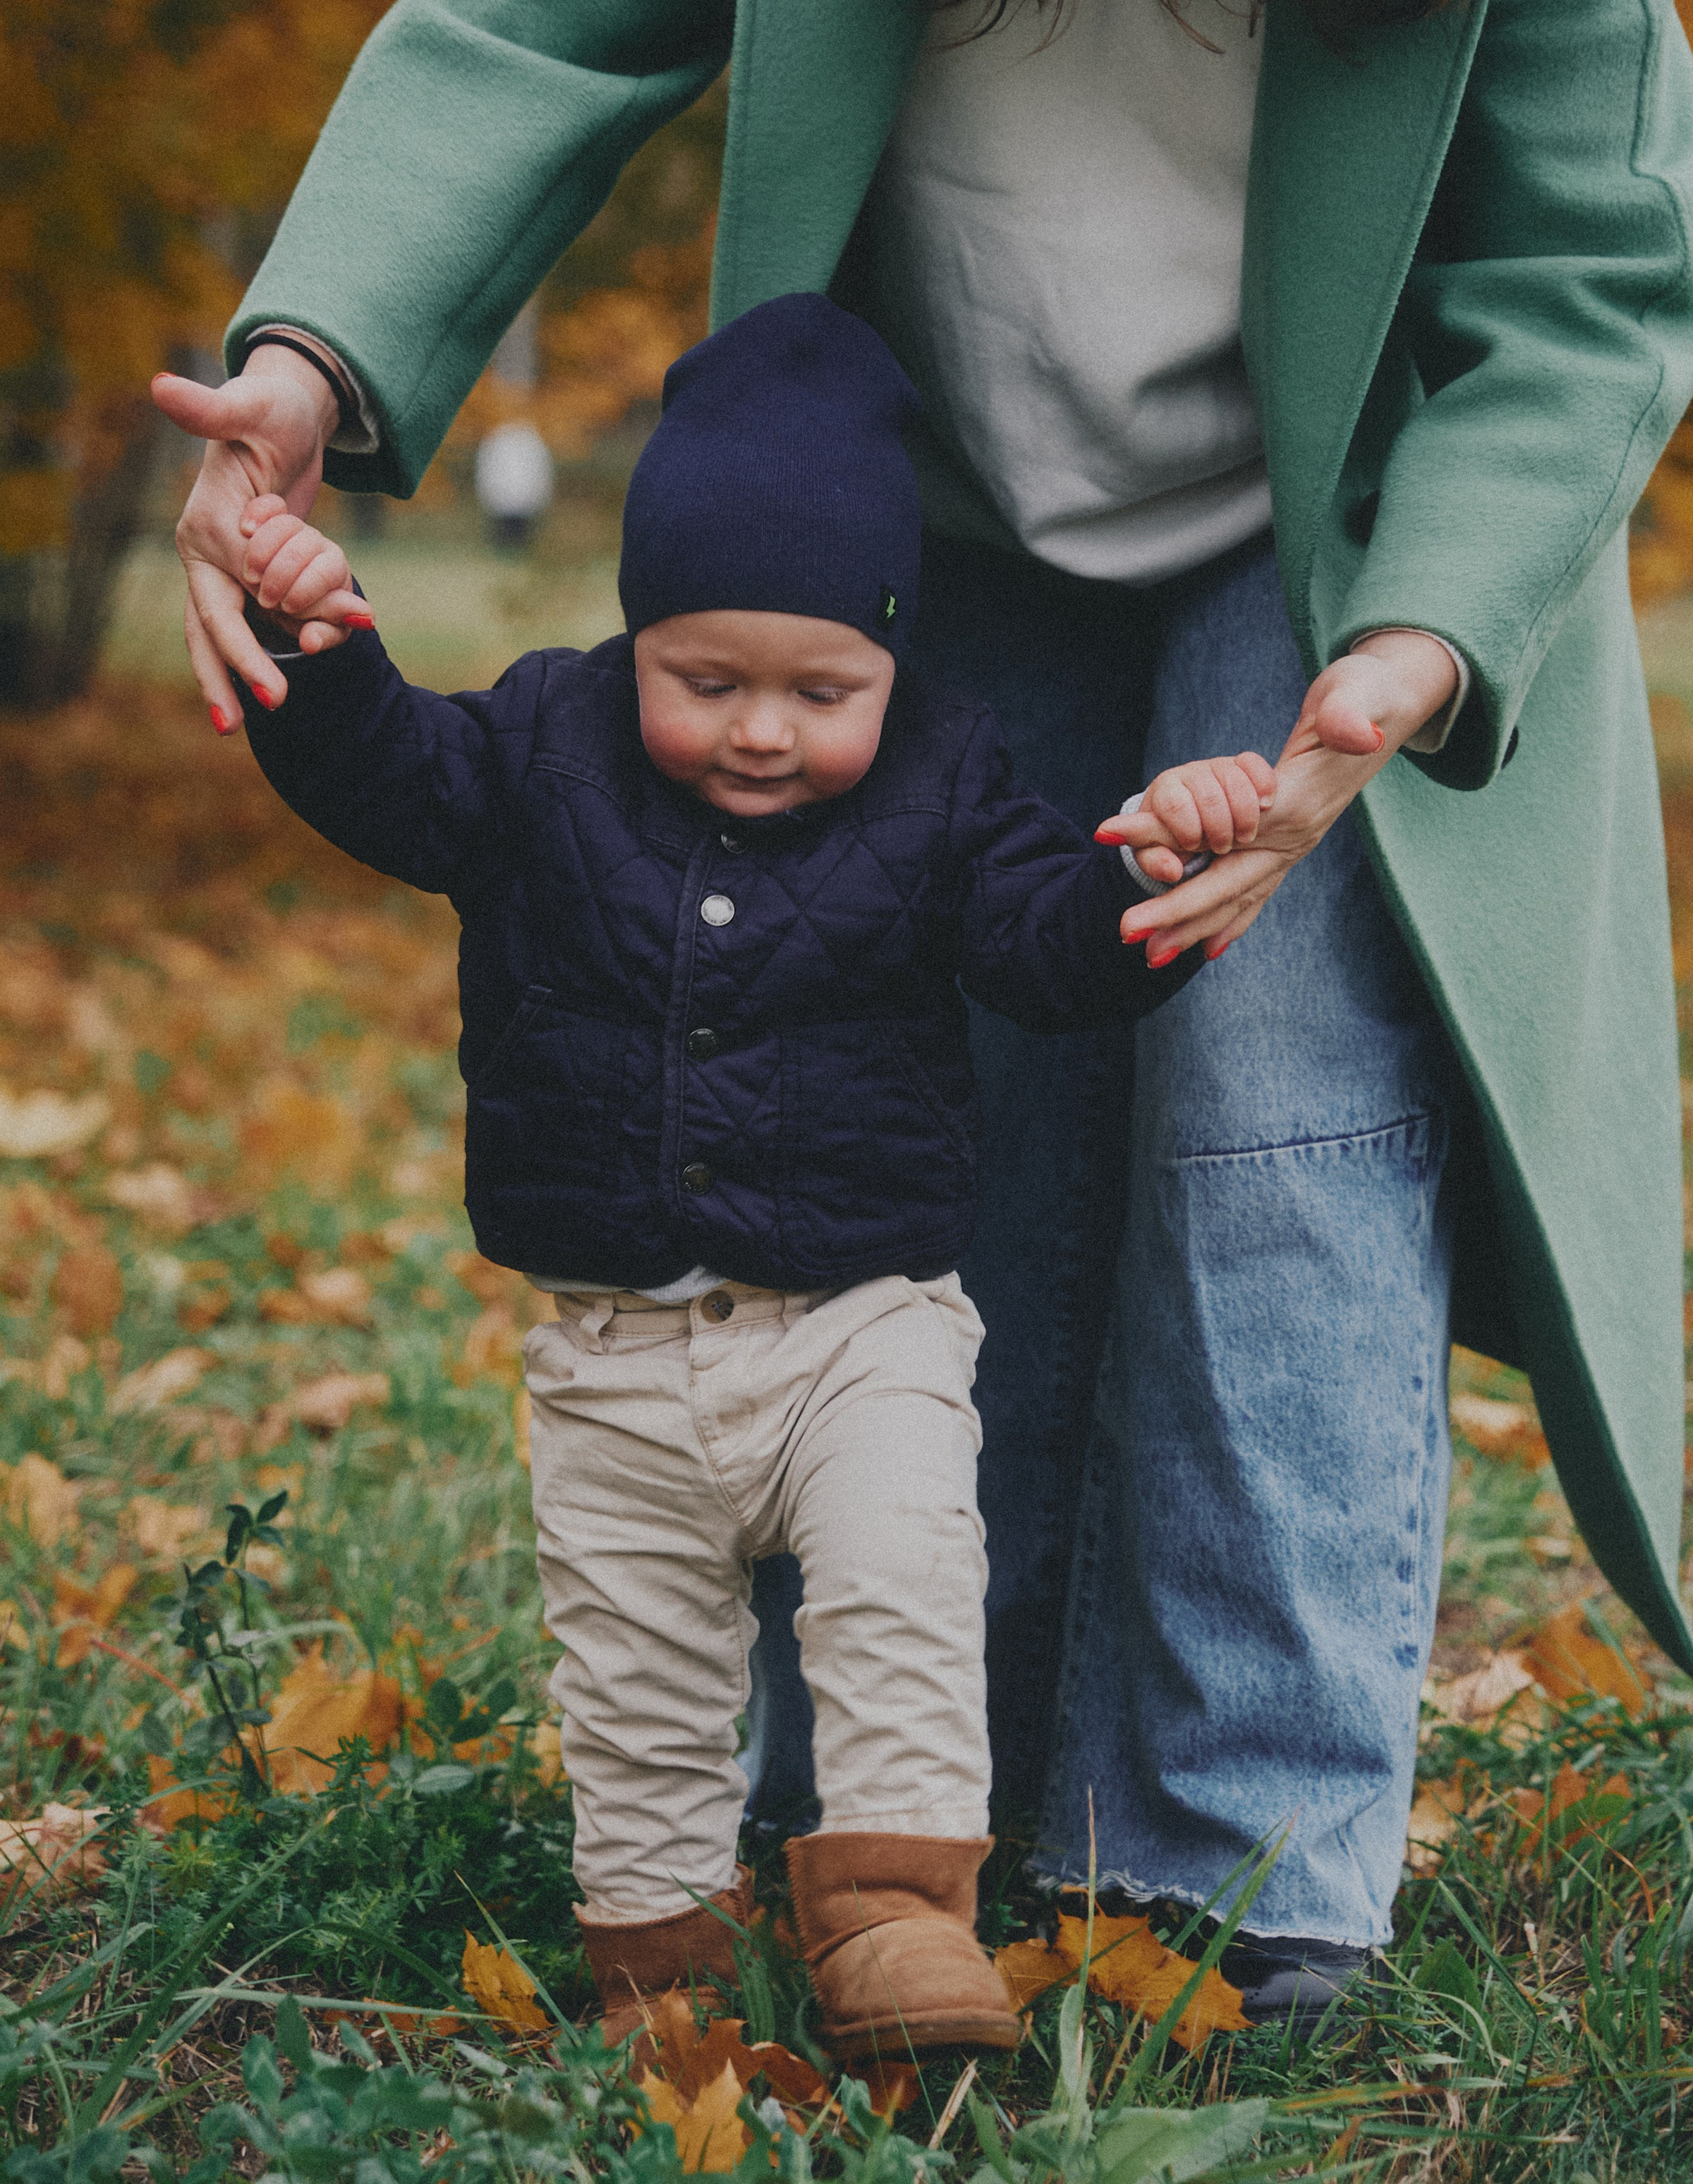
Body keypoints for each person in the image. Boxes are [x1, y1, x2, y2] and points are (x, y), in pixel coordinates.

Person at [154, 0, 1693, 2023]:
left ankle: (1238, 1872)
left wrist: (1419, 640)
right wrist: (312, 356)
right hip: (924, 500)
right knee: (913, 1083)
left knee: (1266, 1085)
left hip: (1352, 525)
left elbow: (1591, 276)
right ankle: (895, 1829)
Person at [193, 290, 1306, 2056]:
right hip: (612, 1352)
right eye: (703, 681)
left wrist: (1147, 884)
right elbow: (395, 783)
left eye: (819, 690)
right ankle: (661, 1965)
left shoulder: (944, 776)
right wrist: (312, 646)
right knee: (636, 1675)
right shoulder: (542, 742)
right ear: (636, 631)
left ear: (890, 663)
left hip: (864, 1326)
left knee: (898, 1598)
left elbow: (1041, 943)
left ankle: (896, 1921)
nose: (762, 729)